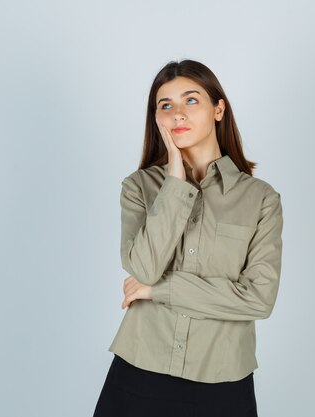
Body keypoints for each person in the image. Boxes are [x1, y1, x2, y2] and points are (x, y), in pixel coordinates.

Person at [93, 59, 284, 417]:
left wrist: (159, 291)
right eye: (166, 106)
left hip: (223, 382)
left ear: (218, 109)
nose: (177, 114)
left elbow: (259, 299)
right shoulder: (139, 188)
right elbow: (144, 268)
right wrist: (176, 181)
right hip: (138, 372)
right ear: (157, 119)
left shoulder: (261, 199)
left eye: (191, 100)